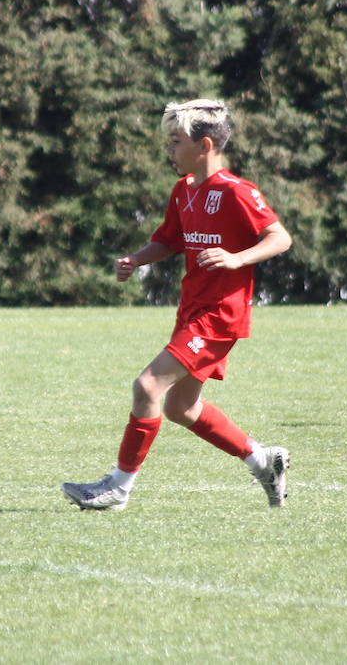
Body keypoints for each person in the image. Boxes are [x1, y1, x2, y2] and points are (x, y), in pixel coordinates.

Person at [61, 99, 293, 511]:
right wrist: (137, 259)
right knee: (180, 407)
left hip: (219, 316)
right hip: (192, 312)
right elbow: (169, 240)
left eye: (175, 141)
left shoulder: (236, 191)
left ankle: (118, 488)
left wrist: (237, 258)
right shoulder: (184, 191)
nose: (168, 150)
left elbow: (279, 238)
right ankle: (263, 460)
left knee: (147, 386)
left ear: (204, 145)